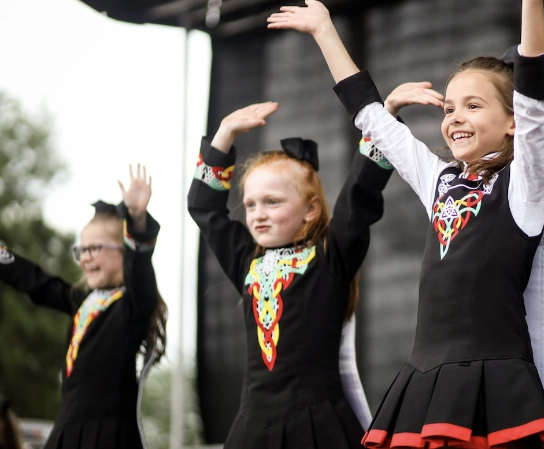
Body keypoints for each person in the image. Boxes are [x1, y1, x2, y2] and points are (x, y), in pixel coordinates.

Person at [268, 0, 544, 447]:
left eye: (473, 105)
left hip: (493, 379)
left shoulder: (526, 185)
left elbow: (534, 104)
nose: (455, 118)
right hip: (426, 380)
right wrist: (323, 31)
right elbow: (373, 119)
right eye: (449, 109)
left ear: (512, 121)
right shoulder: (440, 181)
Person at [187, 100, 397, 448]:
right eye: (251, 204)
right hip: (252, 428)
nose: (257, 214)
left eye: (272, 202)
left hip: (317, 427)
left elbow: (359, 196)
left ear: (311, 209)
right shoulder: (247, 262)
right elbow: (204, 207)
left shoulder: (330, 256)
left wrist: (384, 117)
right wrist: (224, 134)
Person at [0, 165, 167, 449]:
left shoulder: (133, 304)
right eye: (82, 250)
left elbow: (140, 269)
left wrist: (136, 219)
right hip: (67, 431)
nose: (85, 258)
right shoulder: (84, 302)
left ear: (124, 251)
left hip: (107, 435)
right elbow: (38, 284)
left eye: (95, 248)